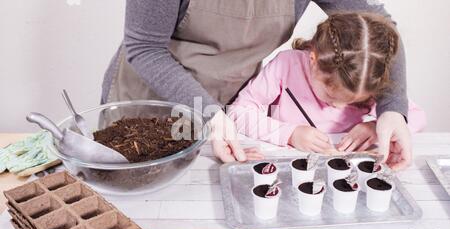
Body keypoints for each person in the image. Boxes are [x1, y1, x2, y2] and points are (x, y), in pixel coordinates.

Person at [102, 0, 415, 170]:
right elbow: (145, 49)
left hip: (225, 108)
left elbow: (379, 27)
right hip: (149, 103)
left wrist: (392, 110)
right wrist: (210, 113)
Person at [227, 13, 426, 157]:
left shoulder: (368, 79)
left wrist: (375, 126)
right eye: (332, 96)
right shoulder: (287, 66)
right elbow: (238, 113)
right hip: (288, 165)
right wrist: (289, 134)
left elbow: (417, 117)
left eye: (356, 102)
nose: (339, 107)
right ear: (314, 60)